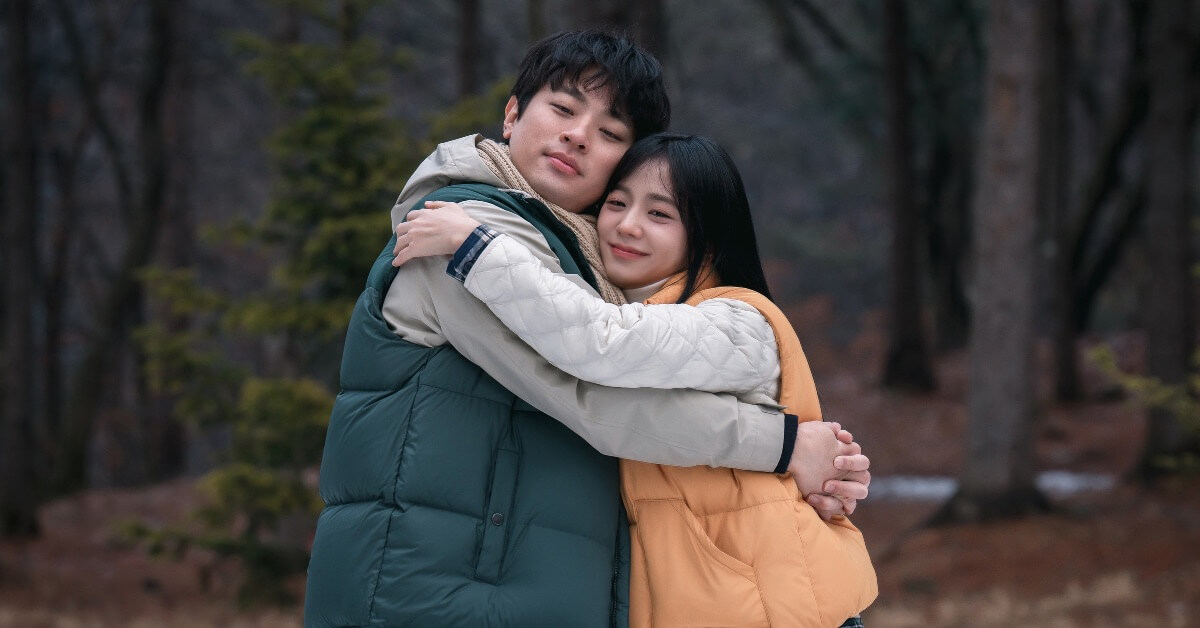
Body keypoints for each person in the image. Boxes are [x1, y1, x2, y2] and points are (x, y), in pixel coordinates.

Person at [304, 30, 870, 627]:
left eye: (610, 133)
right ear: (512, 114)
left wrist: (819, 463)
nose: (578, 135)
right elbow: (594, 398)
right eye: (563, 109)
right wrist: (785, 446)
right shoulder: (462, 231)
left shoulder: (589, 264)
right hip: (431, 590)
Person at [394, 133, 877, 626]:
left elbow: (602, 342)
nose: (627, 225)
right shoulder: (635, 311)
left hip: (783, 611)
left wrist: (479, 248)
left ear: (708, 236)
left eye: (660, 214)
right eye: (617, 203)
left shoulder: (737, 322)